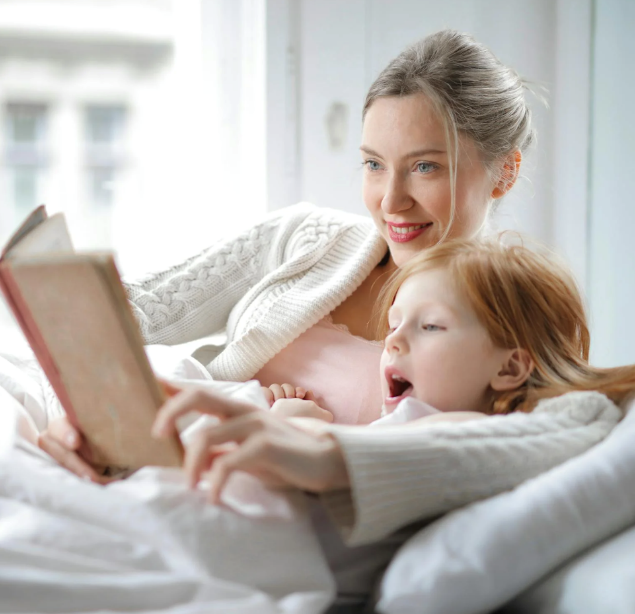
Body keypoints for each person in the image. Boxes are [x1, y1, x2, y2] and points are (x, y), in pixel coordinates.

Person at [38, 28, 536, 478]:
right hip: (162, 466)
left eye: (425, 167)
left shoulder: (512, 325)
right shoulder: (305, 237)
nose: (390, 201)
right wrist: (82, 420)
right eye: (373, 164)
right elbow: (124, 322)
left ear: (505, 172)